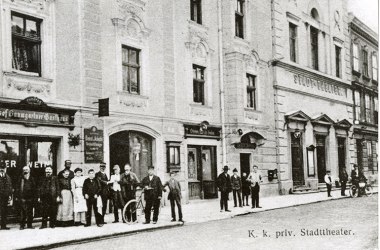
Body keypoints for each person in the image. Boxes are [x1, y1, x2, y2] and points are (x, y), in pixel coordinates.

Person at [0, 162, 12, 230]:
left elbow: (10, 187)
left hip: (5, 197)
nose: (2, 169)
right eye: (1, 168)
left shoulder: (8, 177)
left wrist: (9, 195)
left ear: (6, 169)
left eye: (3, 168)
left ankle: (3, 226)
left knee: (4, 211)